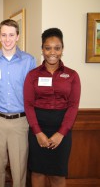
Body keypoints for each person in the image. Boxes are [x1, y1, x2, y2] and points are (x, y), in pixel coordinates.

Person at [24, 28, 81, 187]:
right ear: (42, 49)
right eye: (48, 48)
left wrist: (61, 134)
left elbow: (73, 106)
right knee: (37, 172)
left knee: (58, 174)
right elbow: (28, 104)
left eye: (57, 48)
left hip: (62, 128)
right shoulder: (32, 75)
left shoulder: (72, 75)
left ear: (62, 49)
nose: (52, 52)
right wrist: (37, 132)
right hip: (38, 127)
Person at [0, 19, 36, 187]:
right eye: (4, 35)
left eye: (11, 35)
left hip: (20, 121)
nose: (7, 39)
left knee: (19, 168)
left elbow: (33, 92)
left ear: (18, 37)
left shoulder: (29, 61)